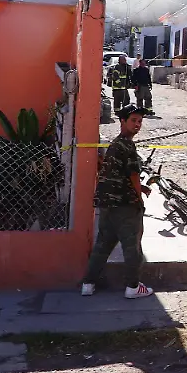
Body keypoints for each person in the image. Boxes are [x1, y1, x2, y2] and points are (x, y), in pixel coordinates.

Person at [81, 104, 154, 299]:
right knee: (132, 248)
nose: (137, 124)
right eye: (133, 120)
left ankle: (88, 284)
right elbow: (133, 175)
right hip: (124, 205)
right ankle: (133, 287)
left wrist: (141, 188)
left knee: (102, 245)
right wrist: (139, 198)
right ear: (122, 121)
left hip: (107, 204)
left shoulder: (115, 144)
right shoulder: (127, 145)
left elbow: (116, 173)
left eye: (139, 121)